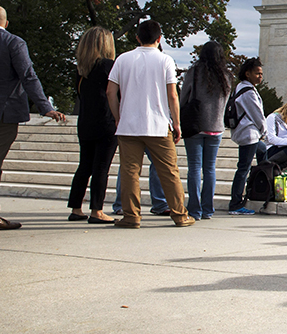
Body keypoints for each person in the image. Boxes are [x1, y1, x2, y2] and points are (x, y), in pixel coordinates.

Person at [0, 5, 66, 231]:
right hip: (3, 111)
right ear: (6, 23)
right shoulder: (14, 42)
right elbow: (28, 75)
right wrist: (45, 106)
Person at [106, 20, 192, 228]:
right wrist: (177, 123)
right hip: (158, 124)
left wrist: (118, 116)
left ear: (137, 38)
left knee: (129, 171)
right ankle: (180, 215)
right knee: (169, 171)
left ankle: (131, 216)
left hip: (129, 125)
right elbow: (172, 94)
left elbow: (110, 91)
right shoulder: (165, 60)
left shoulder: (123, 59)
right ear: (159, 38)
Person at [68, 27, 117, 224]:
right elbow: (114, 93)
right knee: (101, 167)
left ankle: (76, 208)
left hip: (85, 122)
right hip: (106, 121)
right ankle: (97, 210)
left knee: (84, 166)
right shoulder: (109, 66)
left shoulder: (81, 70)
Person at [179, 40, 231, 221]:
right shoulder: (226, 76)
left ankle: (194, 209)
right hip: (216, 127)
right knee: (209, 169)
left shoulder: (194, 72)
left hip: (195, 124)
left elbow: (183, 96)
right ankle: (208, 208)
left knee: (194, 167)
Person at [228, 58, 266, 215]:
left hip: (250, 134)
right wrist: (264, 131)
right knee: (243, 168)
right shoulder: (248, 92)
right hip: (249, 134)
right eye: (257, 73)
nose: (260, 77)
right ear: (247, 73)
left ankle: (260, 185)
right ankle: (236, 203)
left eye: (261, 74)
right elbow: (257, 114)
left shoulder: (242, 88)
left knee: (263, 152)